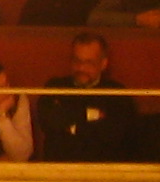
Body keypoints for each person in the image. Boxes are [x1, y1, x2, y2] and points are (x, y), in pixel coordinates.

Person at [37, 31, 142, 163]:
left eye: (89, 63)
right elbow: (48, 123)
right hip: (59, 172)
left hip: (103, 173)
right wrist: (91, 114)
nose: (81, 68)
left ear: (103, 64)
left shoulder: (117, 94)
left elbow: (112, 138)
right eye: (77, 60)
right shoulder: (55, 87)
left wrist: (71, 127)